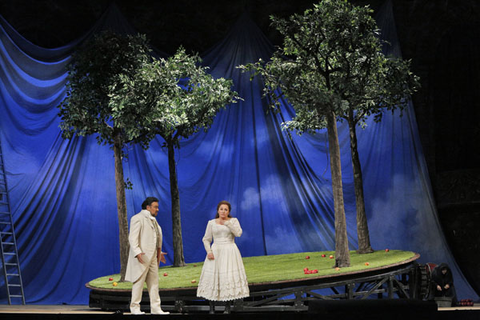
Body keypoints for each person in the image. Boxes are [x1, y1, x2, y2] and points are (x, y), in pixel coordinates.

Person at [196, 200, 249, 314]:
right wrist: (209, 251)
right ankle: (212, 308)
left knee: (228, 277)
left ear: (229, 211)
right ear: (218, 210)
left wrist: (228, 224)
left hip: (229, 250)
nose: (223, 211)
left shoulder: (233, 221)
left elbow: (238, 233)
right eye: (221, 209)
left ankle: (227, 307)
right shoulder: (211, 223)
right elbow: (206, 239)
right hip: (216, 251)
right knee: (212, 278)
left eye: (226, 209)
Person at [125, 197, 169, 315]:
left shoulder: (154, 220)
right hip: (142, 256)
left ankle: (156, 308)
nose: (157, 209)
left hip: (153, 256)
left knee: (154, 283)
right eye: (155, 207)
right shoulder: (138, 218)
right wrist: (138, 252)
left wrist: (158, 252)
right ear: (148, 207)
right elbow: (132, 238)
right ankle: (135, 308)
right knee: (138, 282)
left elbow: (155, 238)